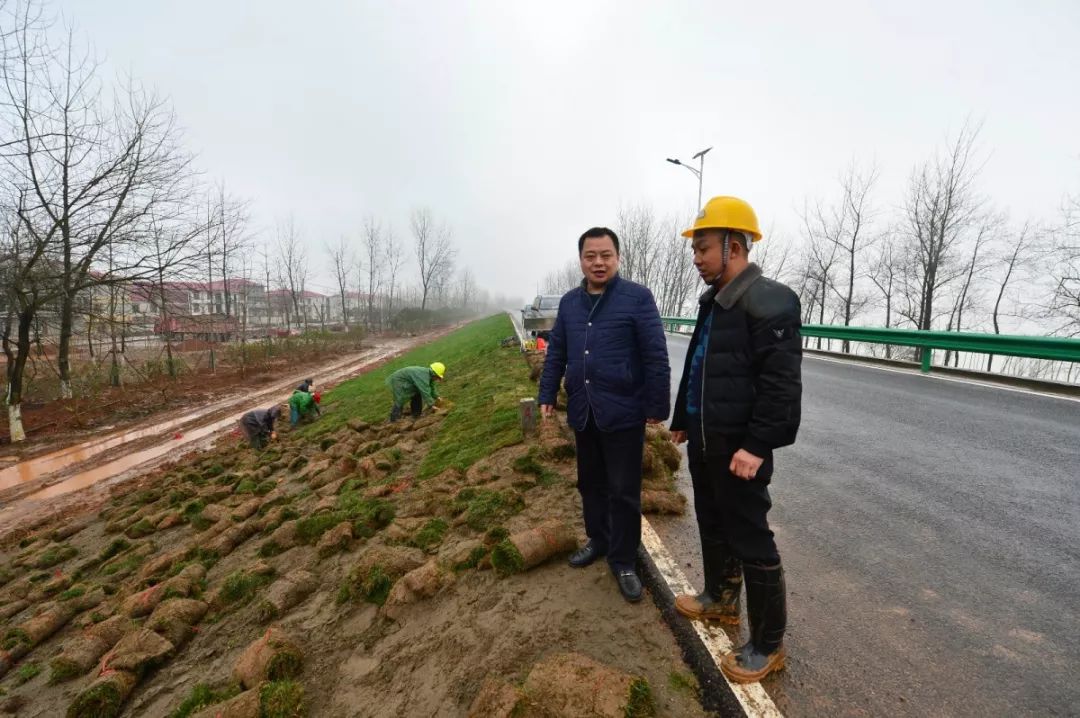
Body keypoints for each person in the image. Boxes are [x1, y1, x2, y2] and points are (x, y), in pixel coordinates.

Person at [669, 196, 802, 683]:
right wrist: (683, 415)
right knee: (712, 517)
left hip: (741, 446)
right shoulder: (714, 301)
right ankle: (720, 599)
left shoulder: (771, 300)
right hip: (707, 437)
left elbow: (781, 386)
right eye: (695, 250)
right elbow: (699, 365)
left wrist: (758, 444)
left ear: (734, 244)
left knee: (751, 535)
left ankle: (769, 643)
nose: (697, 258)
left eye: (703, 248)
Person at [538, 227, 670, 603]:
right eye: (590, 255)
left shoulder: (637, 298)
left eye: (605, 255)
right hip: (584, 409)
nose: (598, 262)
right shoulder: (569, 303)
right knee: (590, 483)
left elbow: (655, 355)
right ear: (581, 259)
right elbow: (557, 351)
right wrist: (547, 392)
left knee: (624, 491)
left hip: (624, 411)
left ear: (617, 258)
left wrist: (656, 406)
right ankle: (598, 539)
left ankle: (624, 559)